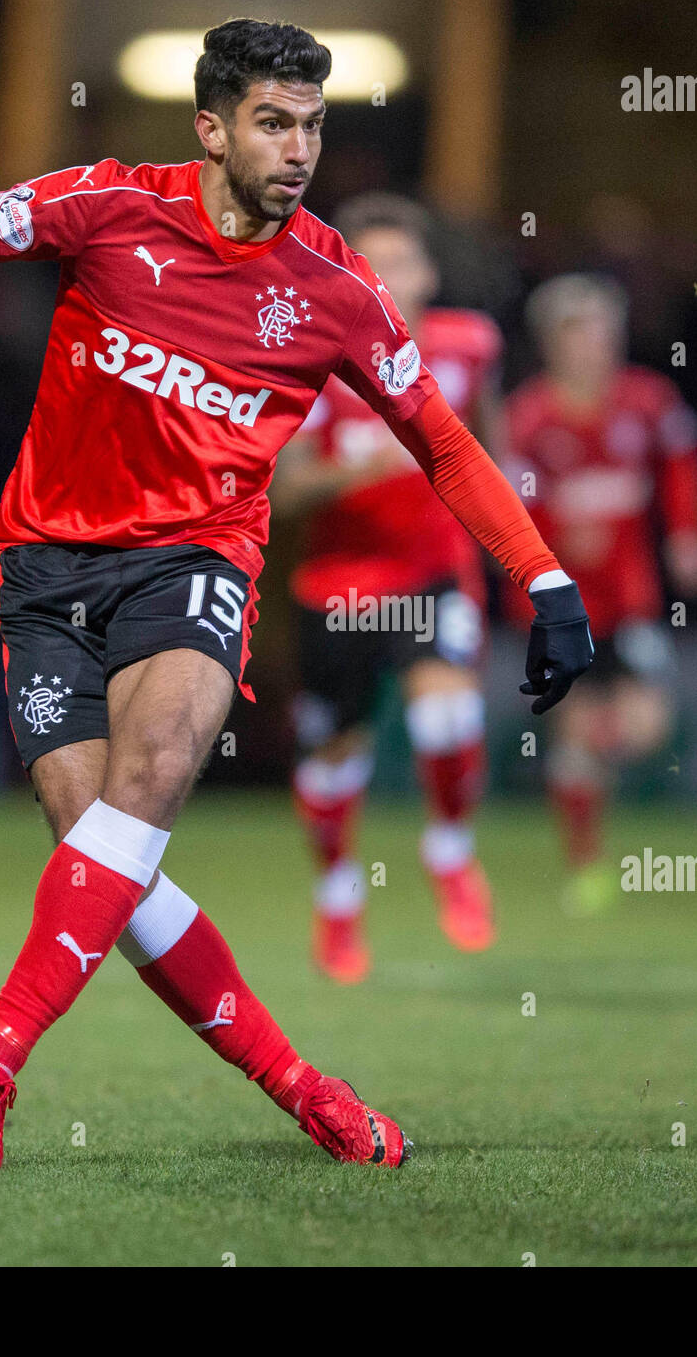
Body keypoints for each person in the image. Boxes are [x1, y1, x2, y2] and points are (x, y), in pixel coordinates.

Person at [0, 19, 594, 1172]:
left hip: (197, 562)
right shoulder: (110, 205)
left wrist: (545, 579)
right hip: (46, 567)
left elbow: (447, 446)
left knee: (152, 773)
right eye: (274, 122)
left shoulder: (334, 287)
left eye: (313, 124)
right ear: (210, 130)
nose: (299, 147)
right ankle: (304, 1086)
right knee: (108, 858)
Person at [273, 193, 503, 982]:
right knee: (335, 759)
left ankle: (449, 852)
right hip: (336, 590)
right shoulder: (310, 359)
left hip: (434, 574)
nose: (386, 277)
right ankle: (337, 897)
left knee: (448, 711)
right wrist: (357, 468)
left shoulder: (469, 347)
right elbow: (282, 494)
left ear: (430, 271)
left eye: (400, 260)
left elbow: (491, 450)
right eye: (368, 262)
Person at [504, 274, 697, 912]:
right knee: (574, 736)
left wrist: (687, 537)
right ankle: (587, 867)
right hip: (562, 609)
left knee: (647, 725)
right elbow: (510, 514)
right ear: (552, 344)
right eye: (580, 335)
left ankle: (594, 755)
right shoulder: (529, 418)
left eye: (604, 333)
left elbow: (683, 469)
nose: (596, 346)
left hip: (632, 602)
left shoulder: (649, 402)